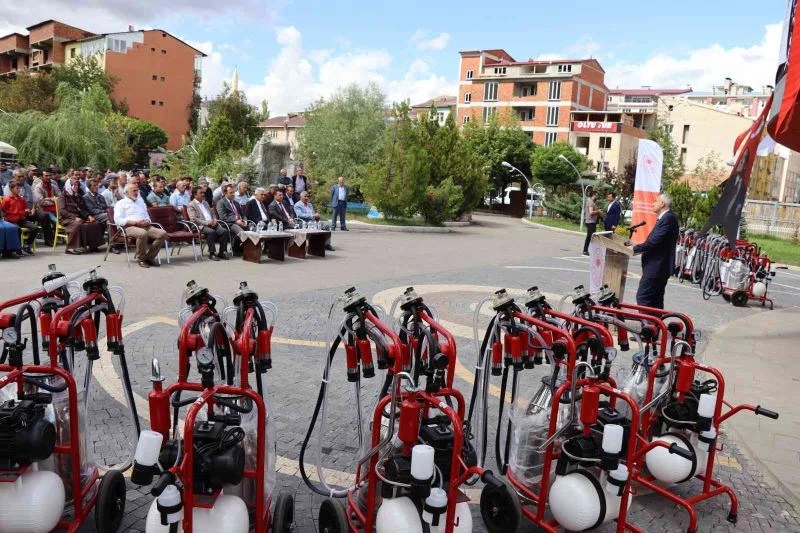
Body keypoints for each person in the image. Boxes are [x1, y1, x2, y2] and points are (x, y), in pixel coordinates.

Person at [631, 193, 680, 309]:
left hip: (657, 266)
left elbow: (654, 242)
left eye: (655, 201)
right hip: (658, 266)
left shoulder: (668, 218)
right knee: (655, 300)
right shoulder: (667, 218)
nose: (653, 204)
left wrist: (635, 248)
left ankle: (647, 326)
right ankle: (656, 325)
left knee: (643, 297)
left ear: (662, 204)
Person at [114, 183, 167, 268]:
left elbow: (147, 216)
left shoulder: (140, 201)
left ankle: (149, 258)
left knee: (162, 233)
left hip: (145, 225)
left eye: (137, 190)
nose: (136, 192)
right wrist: (135, 223)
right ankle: (141, 259)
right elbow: (118, 220)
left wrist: (147, 221)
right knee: (142, 233)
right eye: (134, 191)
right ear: (126, 192)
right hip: (129, 227)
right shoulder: (120, 204)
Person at [58, 174, 105, 255]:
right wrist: (74, 217)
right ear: (69, 185)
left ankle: (93, 246)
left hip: (79, 218)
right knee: (77, 224)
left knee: (95, 223)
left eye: (77, 185)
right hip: (67, 218)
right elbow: (62, 211)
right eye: (74, 185)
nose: (76, 186)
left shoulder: (78, 196)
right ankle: (70, 248)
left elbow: (82, 209)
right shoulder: (63, 196)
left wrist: (88, 216)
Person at [187, 185, 229, 261]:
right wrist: (207, 223)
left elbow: (212, 213)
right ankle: (212, 253)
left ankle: (222, 252)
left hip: (211, 223)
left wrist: (214, 220)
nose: (203, 194)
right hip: (200, 226)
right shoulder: (191, 205)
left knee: (224, 231)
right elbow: (193, 219)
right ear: (195, 194)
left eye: (203, 192)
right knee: (211, 232)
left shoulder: (205, 203)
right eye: (201, 193)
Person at [1, 181, 40, 255]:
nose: (19, 190)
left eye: (19, 188)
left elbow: (25, 209)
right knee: (17, 229)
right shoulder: (7, 199)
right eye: (17, 188)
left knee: (35, 228)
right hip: (11, 220)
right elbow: (3, 210)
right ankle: (17, 248)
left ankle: (27, 245)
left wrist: (28, 211)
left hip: (21, 219)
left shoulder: (21, 199)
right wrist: (7, 217)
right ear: (11, 189)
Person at [217, 184, 248, 256]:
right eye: (231, 193)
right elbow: (223, 217)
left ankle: (243, 248)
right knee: (241, 232)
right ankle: (235, 248)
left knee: (251, 230)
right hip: (229, 223)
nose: (233, 194)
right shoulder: (221, 203)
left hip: (240, 222)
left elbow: (243, 214)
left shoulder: (236, 203)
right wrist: (236, 221)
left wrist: (245, 220)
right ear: (225, 193)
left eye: (233, 192)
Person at [33, 169, 60, 246]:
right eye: (46, 176)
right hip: (42, 209)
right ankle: (49, 240)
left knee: (62, 216)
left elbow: (60, 198)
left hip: (55, 208)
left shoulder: (53, 186)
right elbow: (41, 202)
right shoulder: (38, 187)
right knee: (54, 219)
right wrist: (53, 199)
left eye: (50, 175)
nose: (48, 177)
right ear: (41, 177)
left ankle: (56, 238)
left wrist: (49, 199)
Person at [582, 190, 600, 255]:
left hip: (591, 221)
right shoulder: (590, 202)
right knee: (591, 237)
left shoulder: (590, 201)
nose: (597, 196)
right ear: (593, 195)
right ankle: (586, 251)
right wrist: (598, 211)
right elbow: (591, 212)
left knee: (590, 237)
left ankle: (586, 250)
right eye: (596, 195)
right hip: (590, 221)